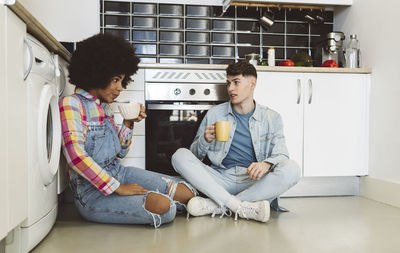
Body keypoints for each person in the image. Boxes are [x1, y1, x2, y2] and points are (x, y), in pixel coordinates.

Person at [59, 33, 195, 228]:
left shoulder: (104, 107)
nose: (120, 88)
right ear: (97, 72)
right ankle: (186, 205)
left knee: (185, 192)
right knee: (165, 208)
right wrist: (117, 187)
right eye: (115, 80)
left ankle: (198, 203)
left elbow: (121, 151)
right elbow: (76, 157)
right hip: (90, 193)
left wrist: (129, 123)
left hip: (119, 172)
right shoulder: (71, 103)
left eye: (122, 81)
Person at [171, 61, 301, 223]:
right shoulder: (214, 114)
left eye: (236, 82)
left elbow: (282, 154)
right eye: (228, 83)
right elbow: (194, 156)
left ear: (252, 84)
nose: (230, 88)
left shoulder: (272, 118)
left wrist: (266, 164)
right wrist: (204, 140)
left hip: (254, 181)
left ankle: (218, 205)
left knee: (293, 169)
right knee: (179, 155)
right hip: (220, 178)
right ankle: (240, 206)